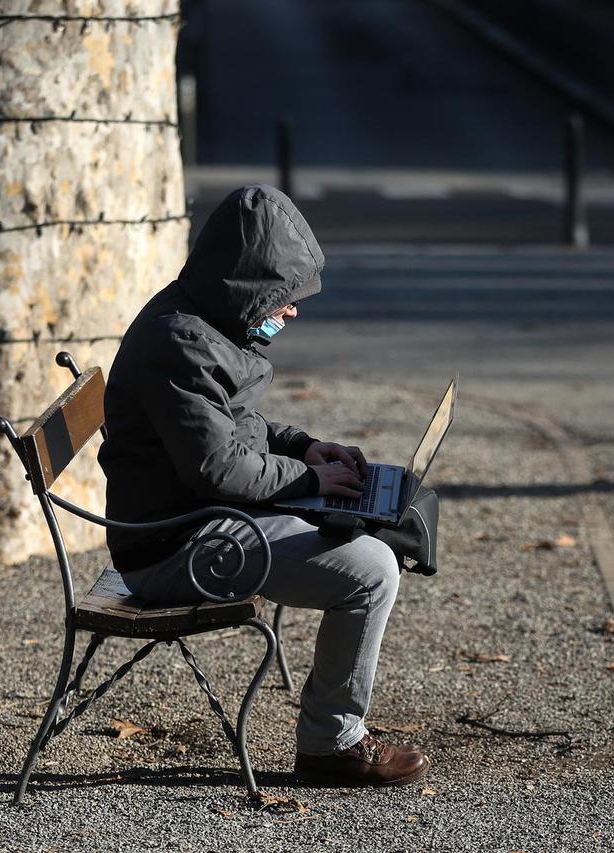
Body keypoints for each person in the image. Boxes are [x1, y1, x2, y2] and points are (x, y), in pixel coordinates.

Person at [97, 184, 430, 787]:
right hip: (172, 546)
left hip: (192, 520)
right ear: (247, 283)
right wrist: (309, 479)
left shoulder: (202, 319)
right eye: (282, 296)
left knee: (373, 530)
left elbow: (232, 428)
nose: (292, 310)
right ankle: (330, 744)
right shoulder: (183, 344)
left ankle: (333, 731)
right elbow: (217, 467)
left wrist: (304, 447)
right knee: (373, 569)